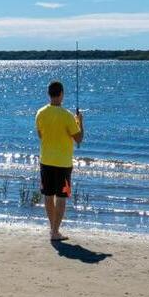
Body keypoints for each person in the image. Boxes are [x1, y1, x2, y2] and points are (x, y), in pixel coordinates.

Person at [35, 80, 84, 242]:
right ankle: (55, 231)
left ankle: (53, 229)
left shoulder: (40, 113)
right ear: (61, 94)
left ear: (49, 94)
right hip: (63, 163)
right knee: (61, 198)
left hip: (46, 161)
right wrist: (80, 122)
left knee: (48, 196)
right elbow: (79, 139)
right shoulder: (68, 116)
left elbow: (41, 135)